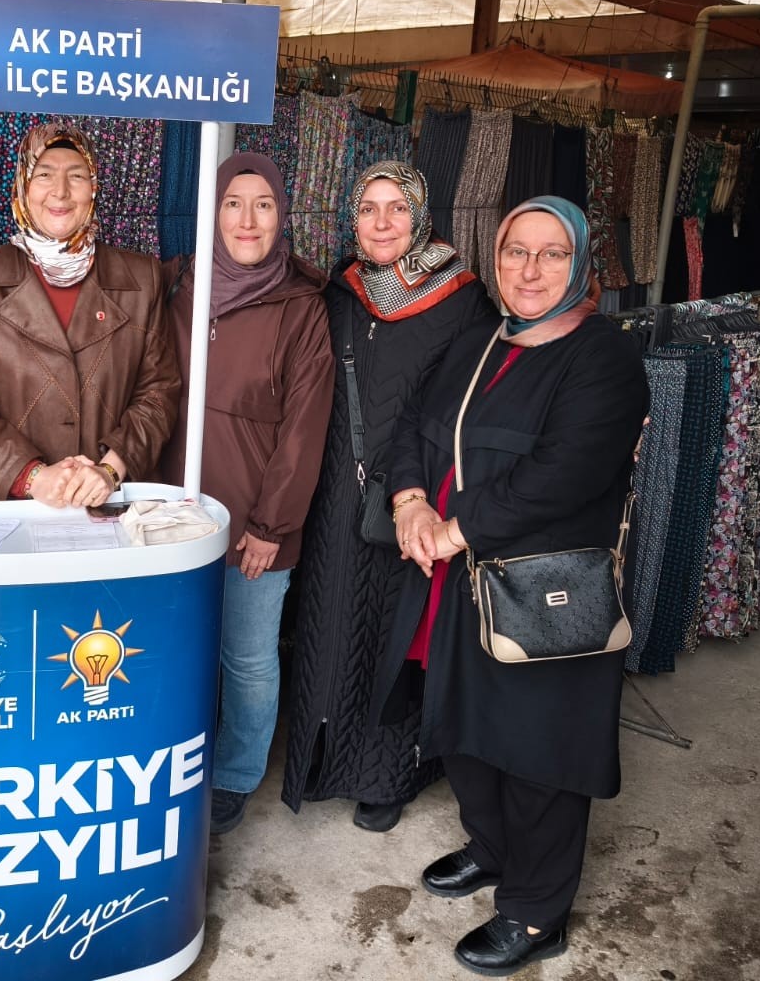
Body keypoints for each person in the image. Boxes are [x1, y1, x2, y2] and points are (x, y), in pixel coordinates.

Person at [380, 195, 648, 976]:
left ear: (581, 264)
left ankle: (537, 911)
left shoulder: (604, 357)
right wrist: (409, 501)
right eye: (514, 252)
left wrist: (454, 530)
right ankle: (493, 847)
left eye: (551, 254)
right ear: (494, 258)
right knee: (465, 727)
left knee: (538, 751)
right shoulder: (479, 339)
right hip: (457, 581)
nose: (530, 270)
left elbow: (564, 473)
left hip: (543, 590)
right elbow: (413, 424)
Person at [282, 161, 491, 832]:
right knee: (328, 622)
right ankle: (319, 755)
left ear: (420, 215)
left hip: (415, 496)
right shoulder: (339, 290)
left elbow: (465, 408)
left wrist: (422, 492)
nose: (381, 223)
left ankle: (387, 775)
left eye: (397, 208)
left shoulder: (462, 299)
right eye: (368, 208)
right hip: (334, 492)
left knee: (396, 634)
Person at [157, 152, 333, 836]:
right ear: (213, 213)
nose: (248, 220)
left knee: (248, 657)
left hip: (255, 520)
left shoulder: (299, 306)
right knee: (178, 650)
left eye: (263, 204)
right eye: (233, 203)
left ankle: (234, 773)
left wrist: (271, 525)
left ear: (282, 215)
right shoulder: (181, 283)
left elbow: (304, 428)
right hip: (170, 514)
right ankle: (177, 761)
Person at [0, 122, 179, 505]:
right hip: (11, 507)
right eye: (44, 175)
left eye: (77, 176)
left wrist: (110, 470)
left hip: (110, 502)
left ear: (94, 186)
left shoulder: (142, 278)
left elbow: (158, 392)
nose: (61, 191)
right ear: (22, 185)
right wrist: (32, 477)